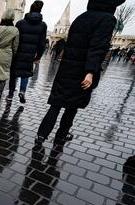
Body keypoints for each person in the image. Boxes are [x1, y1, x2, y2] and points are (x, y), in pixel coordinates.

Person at [36, 0, 126, 145]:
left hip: (66, 68)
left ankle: (41, 135)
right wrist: (90, 71)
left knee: (57, 103)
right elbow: (97, 47)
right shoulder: (107, 19)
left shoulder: (82, 17)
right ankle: (61, 135)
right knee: (72, 106)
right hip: (82, 70)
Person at [7, 1, 47, 103]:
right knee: (25, 73)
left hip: (18, 53)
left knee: (14, 73)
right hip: (30, 54)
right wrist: (38, 56)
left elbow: (14, 39)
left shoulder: (20, 23)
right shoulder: (43, 25)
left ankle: (10, 94)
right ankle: (22, 91)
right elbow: (42, 43)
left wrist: (12, 51)